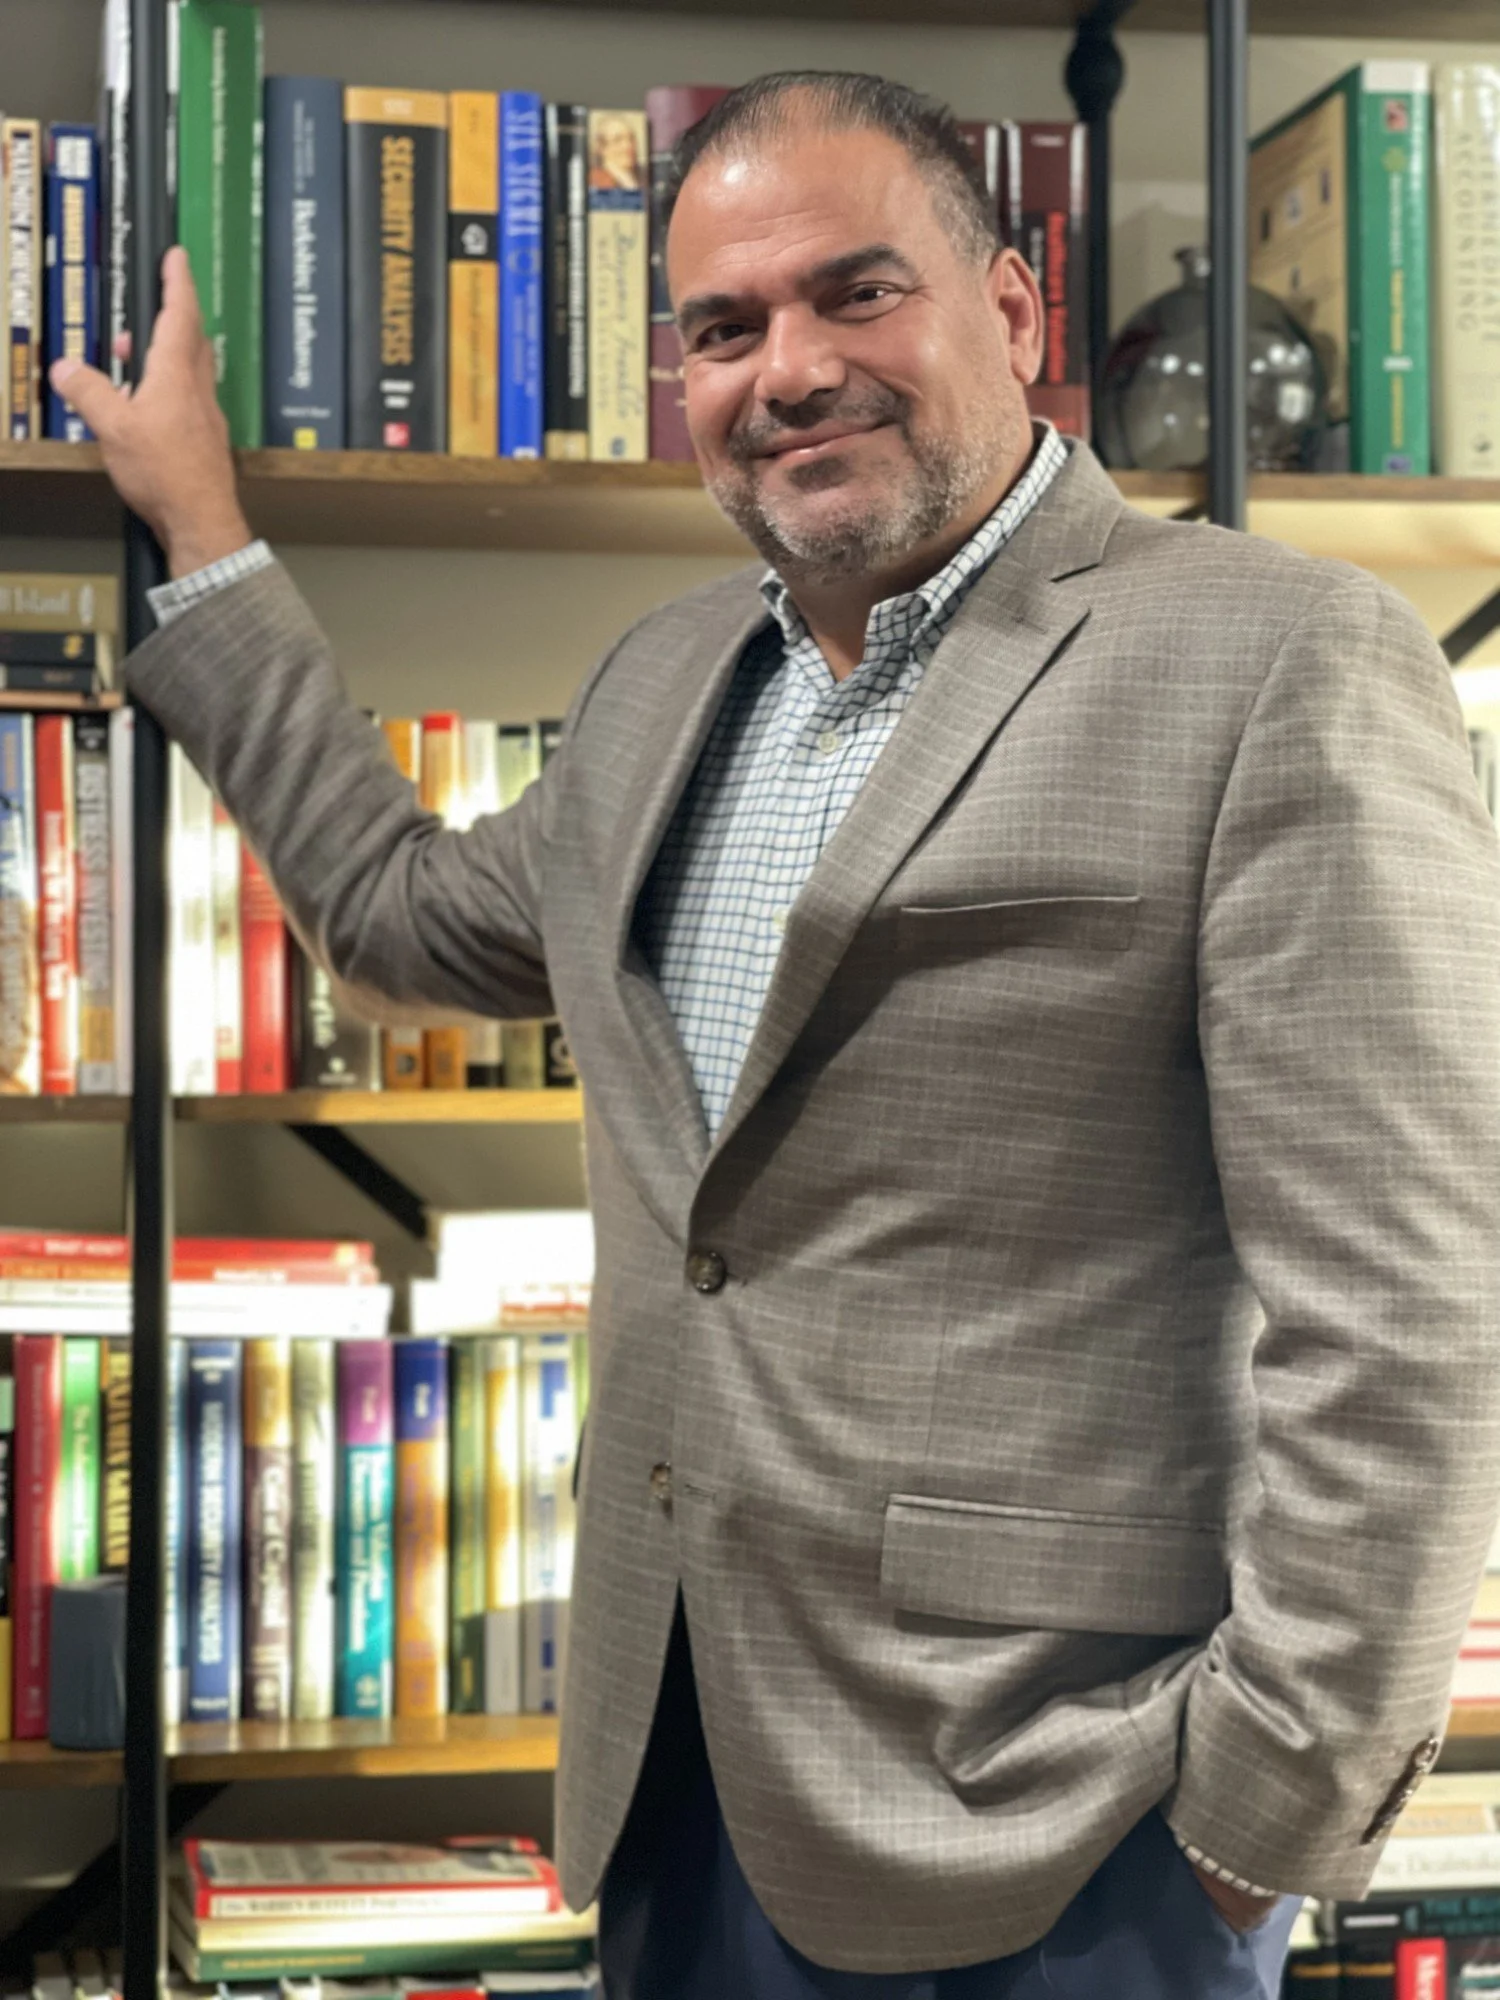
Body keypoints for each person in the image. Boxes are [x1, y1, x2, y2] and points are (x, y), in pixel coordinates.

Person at [53, 68, 1500, 2000]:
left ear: (1011, 309)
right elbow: (397, 919)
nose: (790, 369)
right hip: (671, 1771)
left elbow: (1410, 1313)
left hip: (1067, 1821)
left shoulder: (1278, 657)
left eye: (857, 292)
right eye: (725, 328)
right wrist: (202, 524)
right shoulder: (657, 684)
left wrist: (1265, 1816)